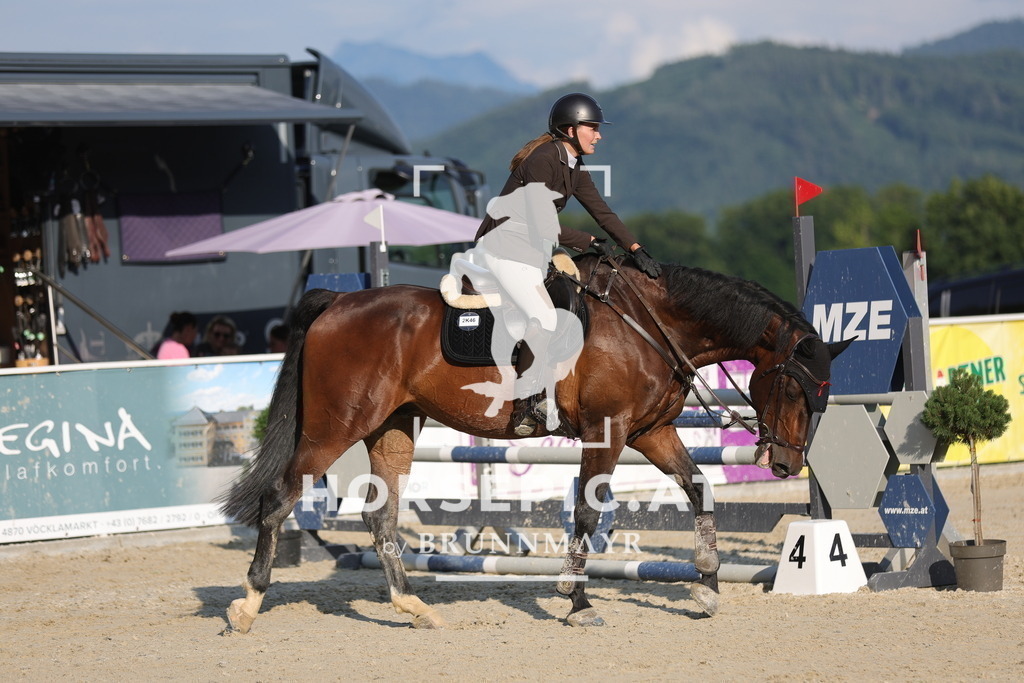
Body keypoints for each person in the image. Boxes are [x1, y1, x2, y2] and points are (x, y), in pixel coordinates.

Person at [466, 92, 661, 435]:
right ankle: (526, 406)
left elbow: (601, 211)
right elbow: (542, 222)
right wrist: (587, 242)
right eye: (593, 128)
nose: (599, 134)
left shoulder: (573, 164)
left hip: (531, 247)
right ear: (571, 130)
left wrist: (634, 247)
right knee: (542, 315)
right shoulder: (543, 159)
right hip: (503, 245)